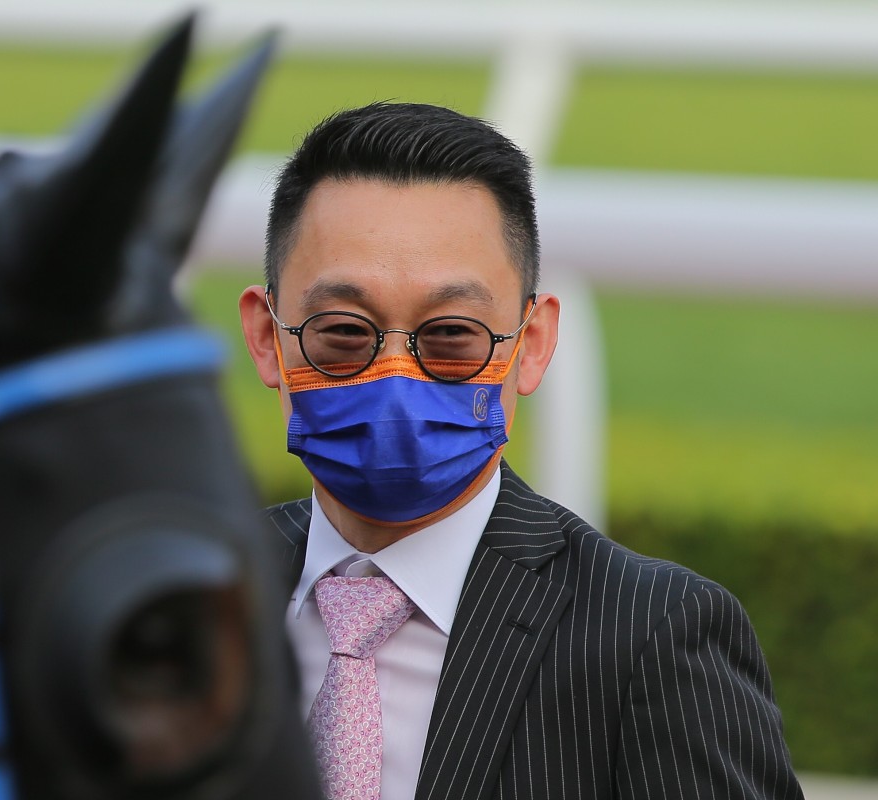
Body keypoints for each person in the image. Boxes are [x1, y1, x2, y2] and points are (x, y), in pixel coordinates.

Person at [239, 102, 803, 800]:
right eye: (345, 332)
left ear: (530, 346)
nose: (394, 377)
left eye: (450, 335)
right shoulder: (190, 603)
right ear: (268, 337)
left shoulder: (651, 636)